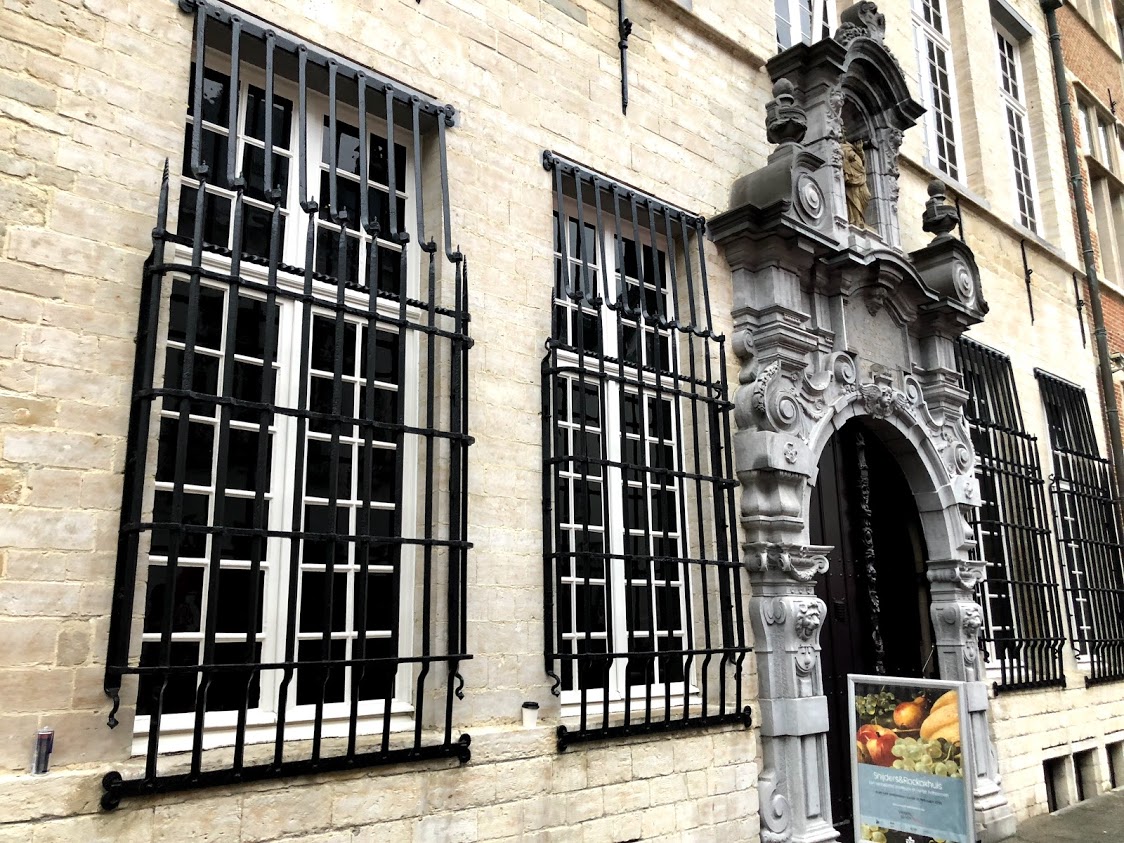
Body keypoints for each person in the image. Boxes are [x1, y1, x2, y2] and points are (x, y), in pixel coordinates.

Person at [842, 140, 872, 228]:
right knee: (854, 199)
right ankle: (856, 220)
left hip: (860, 176)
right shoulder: (843, 147)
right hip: (853, 177)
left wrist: (859, 151)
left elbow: (862, 161)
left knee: (866, 195)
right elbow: (844, 158)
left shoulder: (852, 147)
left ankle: (859, 219)